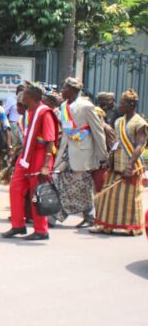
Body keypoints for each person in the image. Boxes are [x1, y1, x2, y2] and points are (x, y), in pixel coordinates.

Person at [2, 81, 59, 241]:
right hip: (26, 155)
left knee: (36, 192)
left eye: (25, 96)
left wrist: (46, 165)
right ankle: (18, 225)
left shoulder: (45, 112)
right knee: (15, 187)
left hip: (41, 156)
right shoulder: (30, 112)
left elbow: (50, 140)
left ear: (32, 97)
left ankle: (41, 230)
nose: (21, 99)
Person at [91, 89, 147, 236]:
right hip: (116, 163)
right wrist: (109, 159)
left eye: (122, 103)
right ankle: (106, 225)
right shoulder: (118, 121)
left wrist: (130, 165)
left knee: (130, 197)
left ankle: (133, 227)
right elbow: (116, 142)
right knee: (109, 195)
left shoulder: (140, 123)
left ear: (132, 104)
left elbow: (140, 145)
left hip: (131, 165)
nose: (119, 105)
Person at [53, 78, 107, 227]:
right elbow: (65, 131)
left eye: (64, 88)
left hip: (83, 152)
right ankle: (57, 215)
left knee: (80, 185)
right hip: (66, 151)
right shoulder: (63, 106)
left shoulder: (86, 106)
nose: (62, 91)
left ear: (73, 90)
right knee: (60, 181)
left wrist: (103, 156)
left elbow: (97, 131)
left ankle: (84, 216)